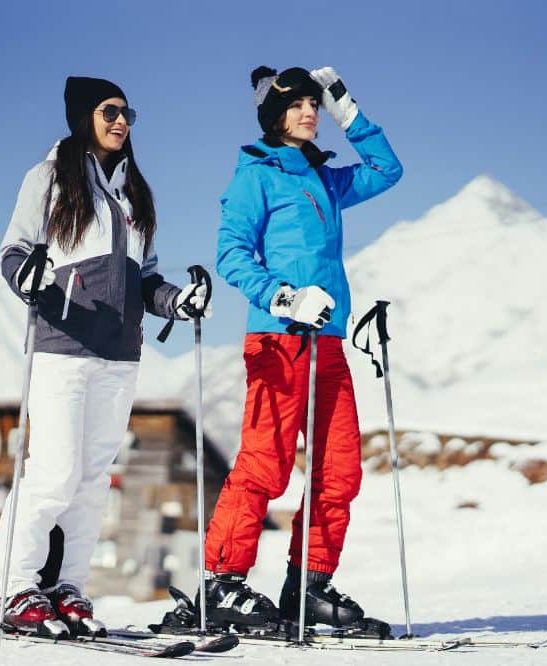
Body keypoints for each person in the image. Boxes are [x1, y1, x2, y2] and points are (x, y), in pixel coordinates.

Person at [0, 76, 210, 635]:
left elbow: (145, 278)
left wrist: (178, 302)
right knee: (53, 474)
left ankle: (68, 587)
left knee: (90, 482)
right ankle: (7, 590)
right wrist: (26, 276)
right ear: (83, 116)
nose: (121, 121)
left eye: (128, 112)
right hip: (63, 343)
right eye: (109, 111)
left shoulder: (137, 194)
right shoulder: (50, 178)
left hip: (119, 355)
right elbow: (14, 248)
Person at [198, 65, 402, 633]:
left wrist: (351, 113)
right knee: (266, 464)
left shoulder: (326, 181)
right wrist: (282, 296)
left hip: (329, 342)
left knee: (340, 471)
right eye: (298, 105)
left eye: (316, 103)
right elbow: (232, 253)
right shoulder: (256, 177)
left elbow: (388, 170)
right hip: (277, 338)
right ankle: (223, 583)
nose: (310, 112)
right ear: (274, 116)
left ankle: (307, 588)